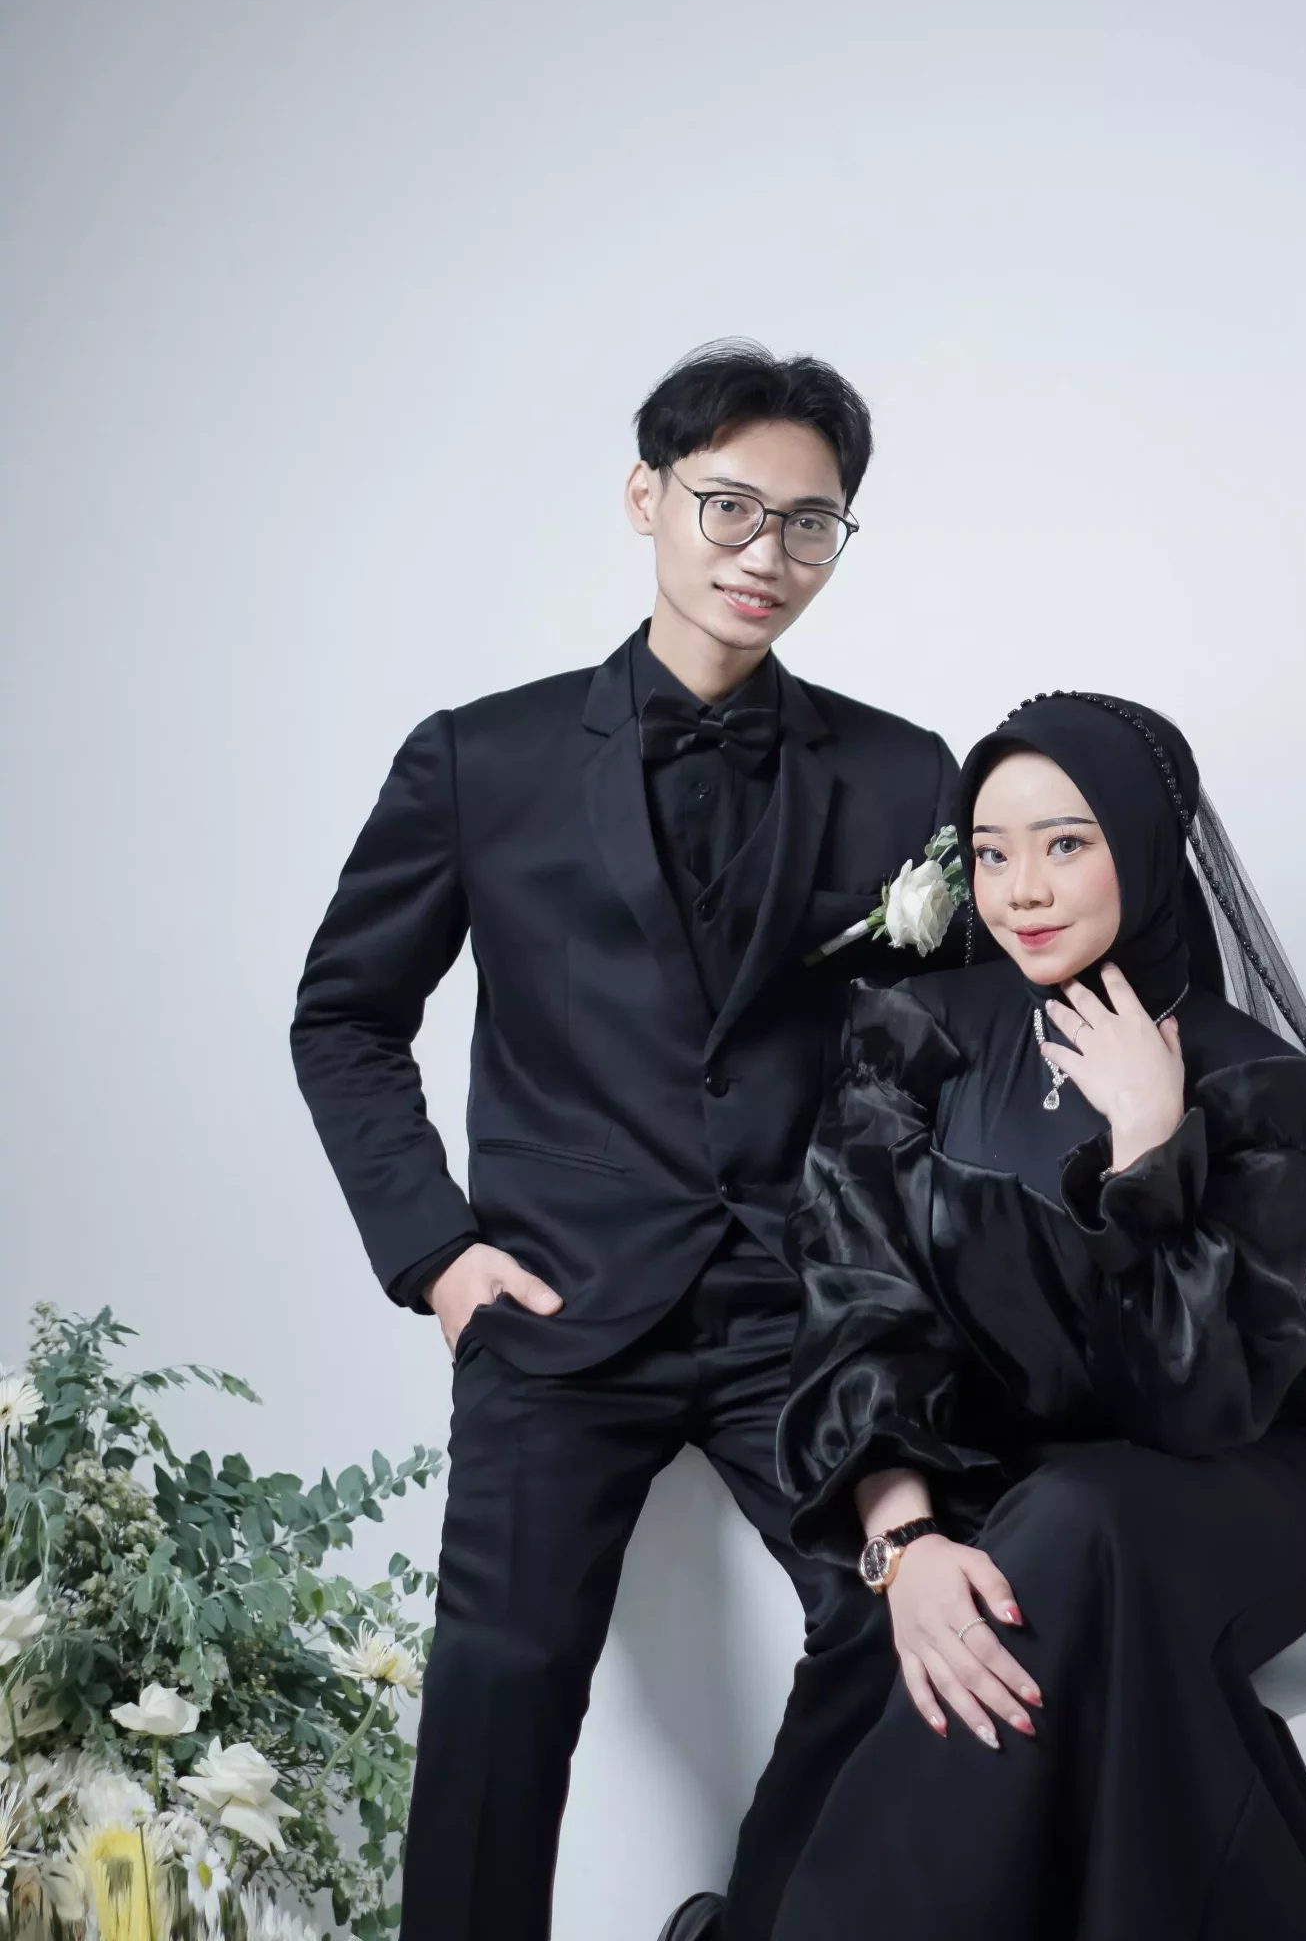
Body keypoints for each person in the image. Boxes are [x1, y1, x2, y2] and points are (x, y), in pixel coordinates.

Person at [289, 342, 960, 1941]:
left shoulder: (901, 774)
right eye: (729, 506)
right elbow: (345, 1018)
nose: (764, 554)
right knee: (501, 1684)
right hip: (557, 1302)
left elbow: (942, 1059)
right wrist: (439, 1256)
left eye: (810, 523)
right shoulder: (483, 758)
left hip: (800, 1312)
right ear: (644, 496)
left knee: (905, 1629)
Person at [773, 691, 1306, 1940]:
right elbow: (860, 1307)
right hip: (1017, 1496)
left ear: (1145, 846)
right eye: (991, 852)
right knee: (1059, 1558)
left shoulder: (1262, 1084)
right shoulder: (918, 1040)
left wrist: (1150, 1144)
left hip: (1246, 1484)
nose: (1022, 890)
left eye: (1065, 843)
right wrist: (905, 1539)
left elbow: (1194, 1402)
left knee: (1080, 1521)